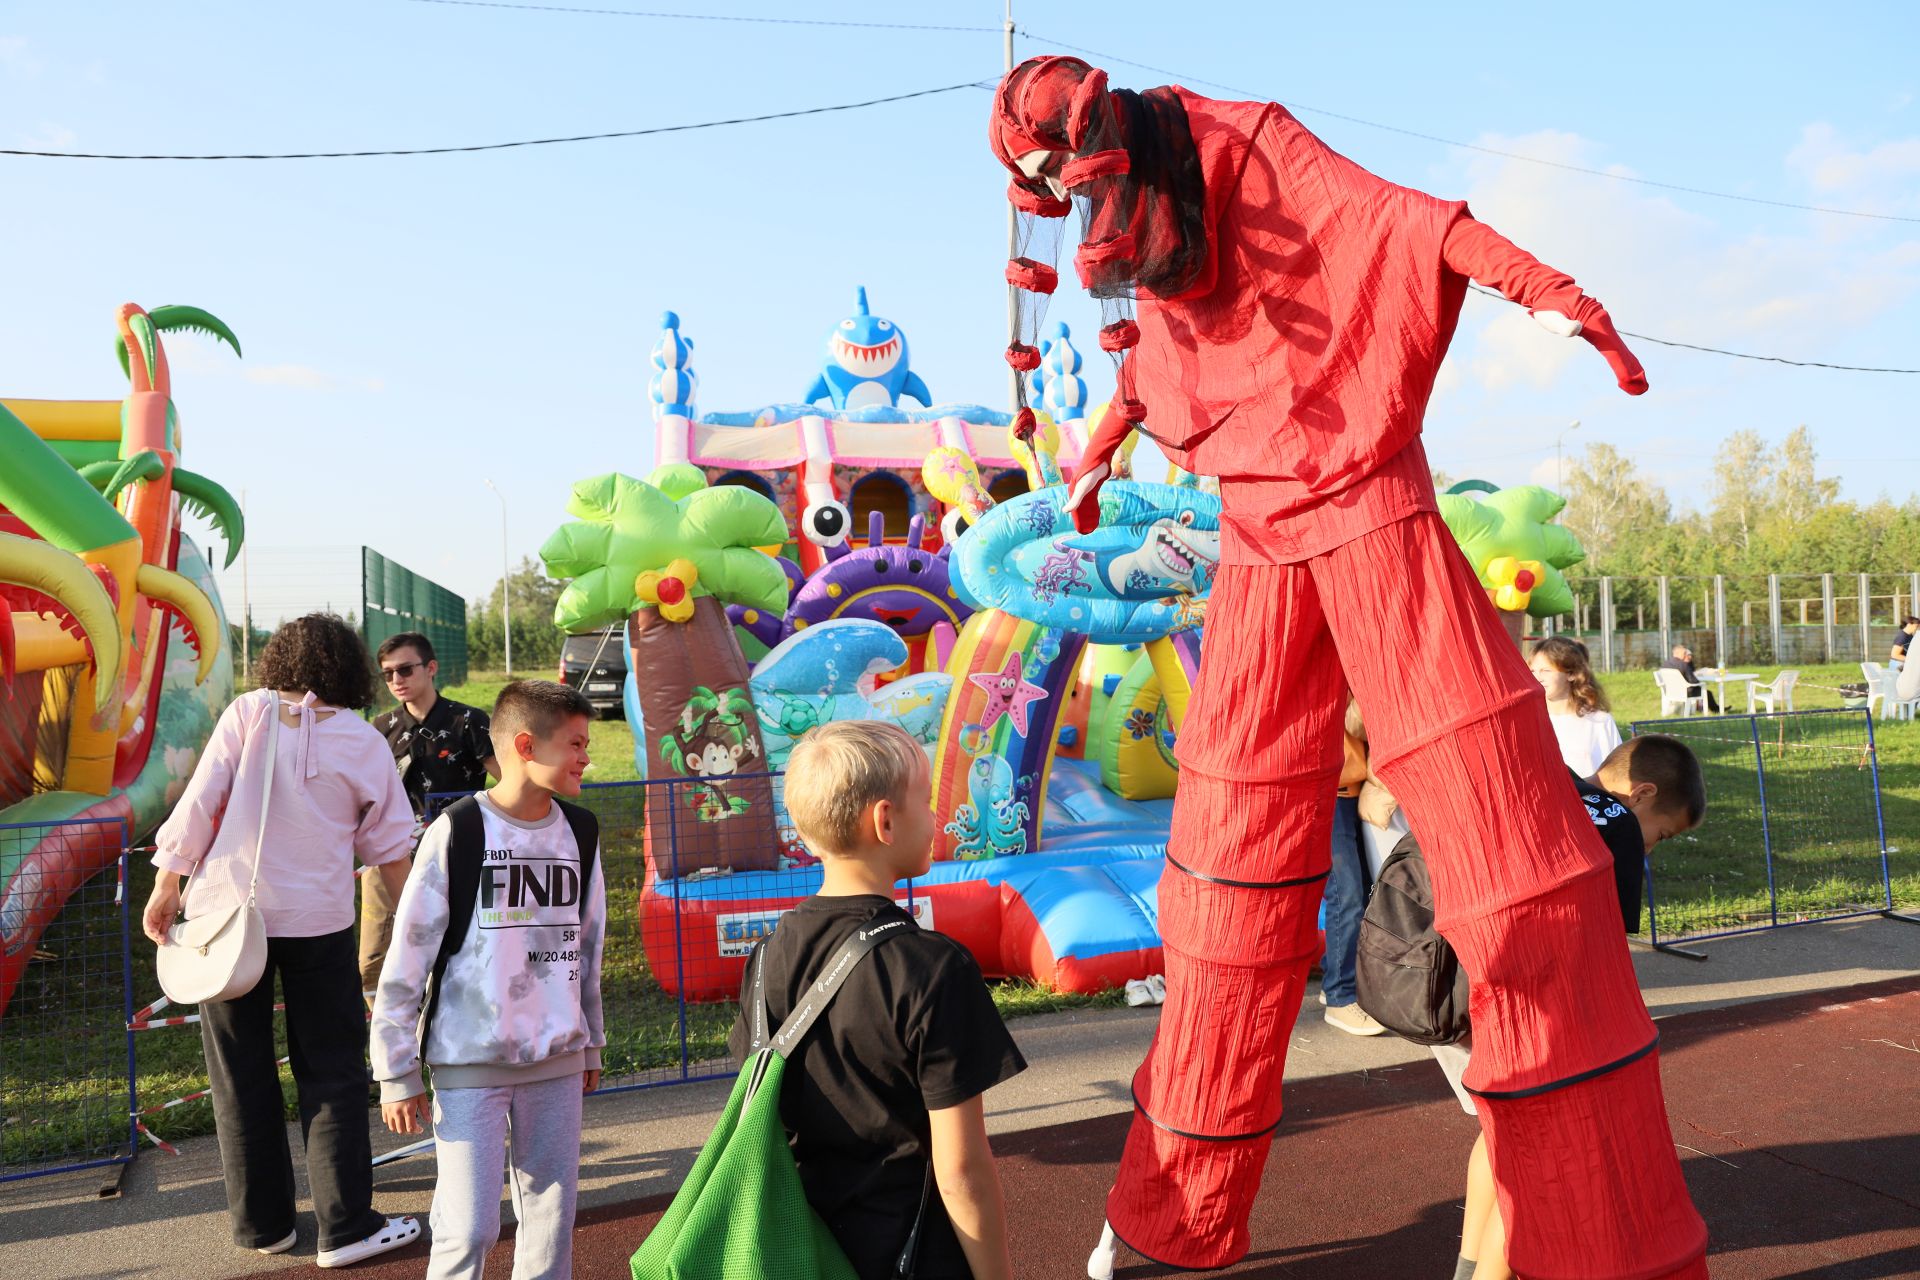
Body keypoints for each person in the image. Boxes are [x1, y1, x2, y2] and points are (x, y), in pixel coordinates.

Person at [991, 55, 1707, 1277]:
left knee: (1518, 853)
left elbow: (1401, 222)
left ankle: (1603, 1236)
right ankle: (1171, 1216)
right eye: (1042, 183)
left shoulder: (1244, 145)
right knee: (1222, 894)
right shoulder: (1152, 222)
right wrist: (1105, 439)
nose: (1058, 194)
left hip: (1373, 510)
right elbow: (1163, 351)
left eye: (1058, 171)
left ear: (1098, 141)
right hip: (1264, 536)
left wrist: (1545, 291)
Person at [143, 614, 421, 1267]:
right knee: (333, 1072)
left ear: (280, 661)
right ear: (350, 669)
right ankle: (347, 1226)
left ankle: (263, 1226)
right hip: (320, 921)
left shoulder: (248, 713)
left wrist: (166, 885)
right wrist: (418, 924)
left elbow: (201, 803)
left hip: (227, 921)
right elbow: (389, 850)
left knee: (239, 1076)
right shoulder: (364, 741)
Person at [728, 722, 1025, 1280]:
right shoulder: (933, 967)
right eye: (925, 799)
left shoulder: (764, 960)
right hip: (910, 1252)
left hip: (801, 1251)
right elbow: (960, 1169)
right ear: (885, 821)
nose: (934, 815)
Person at [372, 679, 605, 1280]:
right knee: (469, 1226)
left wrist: (592, 1039)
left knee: (552, 1220)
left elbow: (589, 944)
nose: (587, 756)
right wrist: (395, 1069)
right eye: (576, 744)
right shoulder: (458, 830)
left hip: (556, 1056)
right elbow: (408, 957)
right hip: (468, 1058)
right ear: (526, 746)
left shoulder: (582, 831)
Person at [1457, 734, 1705, 1279]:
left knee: (1497, 1132)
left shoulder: (1553, 781)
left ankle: (1467, 1267)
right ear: (1641, 793)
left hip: (1472, 982)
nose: (1652, 848)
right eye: (1660, 834)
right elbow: (1605, 951)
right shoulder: (1615, 826)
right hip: (1546, 1013)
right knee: (1535, 1160)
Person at [364, 632, 498, 1000]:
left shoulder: (468, 721)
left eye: (405, 670)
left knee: (455, 951)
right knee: (372, 963)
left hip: (455, 857)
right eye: (387, 674)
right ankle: (394, 1039)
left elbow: (508, 782)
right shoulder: (380, 728)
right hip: (391, 858)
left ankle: (442, 1033)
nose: (396, 681)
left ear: (431, 668)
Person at [1321, 698, 1384, 1035]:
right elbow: (1355, 722)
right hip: (1334, 785)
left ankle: (1335, 979)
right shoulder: (1338, 669)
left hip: (1343, 785)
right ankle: (1340, 996)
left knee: (1352, 889)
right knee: (1347, 894)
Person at [1530, 636, 1622, 775]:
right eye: (1532, 671)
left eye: (1546, 671)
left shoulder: (1599, 721)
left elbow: (1616, 772)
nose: (1537, 678)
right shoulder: (1528, 722)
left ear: (1571, 674)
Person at [1661, 644, 1717, 713]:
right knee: (1707, 692)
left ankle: (1698, 708)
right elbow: (1693, 681)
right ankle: (1716, 710)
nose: (1685, 655)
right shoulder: (1683, 664)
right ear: (1677, 653)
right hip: (1685, 692)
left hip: (1670, 691)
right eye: (1684, 653)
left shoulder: (1665, 664)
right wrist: (1702, 683)